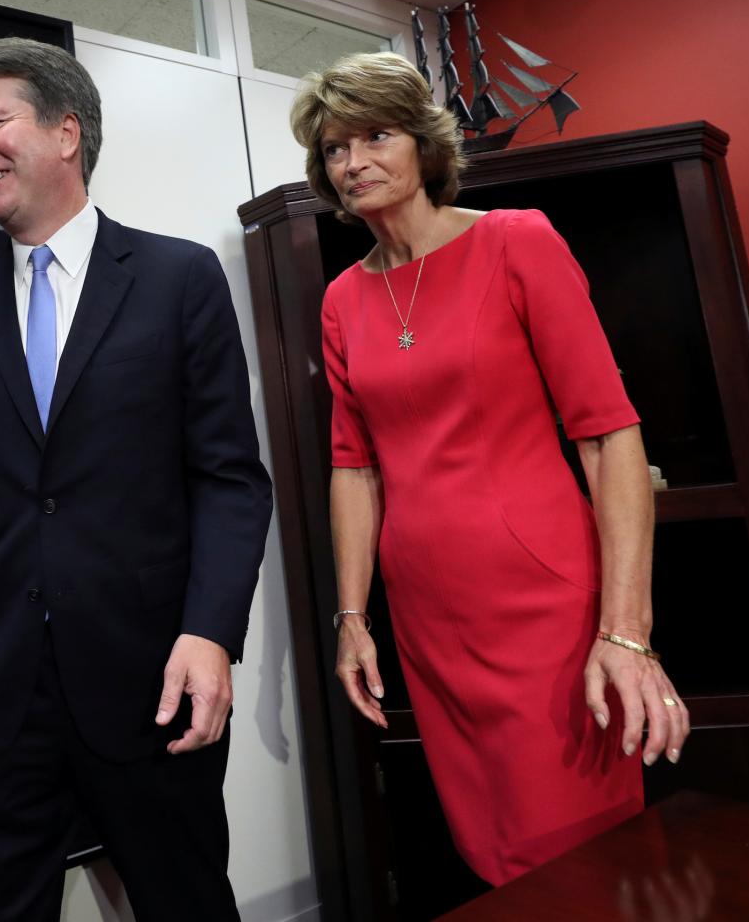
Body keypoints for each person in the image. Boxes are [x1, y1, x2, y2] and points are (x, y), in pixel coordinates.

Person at [291, 52, 690, 885]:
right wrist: (353, 616)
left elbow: (608, 436)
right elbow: (353, 468)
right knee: (492, 852)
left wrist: (626, 630)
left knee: (579, 849)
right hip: (429, 616)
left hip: (542, 601)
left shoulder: (517, 241)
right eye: (334, 148)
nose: (354, 161)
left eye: (377, 135)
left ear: (423, 145)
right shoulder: (342, 299)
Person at [0, 37, 272, 921]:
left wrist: (211, 635)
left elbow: (229, 478)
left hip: (152, 680)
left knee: (184, 901)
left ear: (67, 132)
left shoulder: (180, 278)